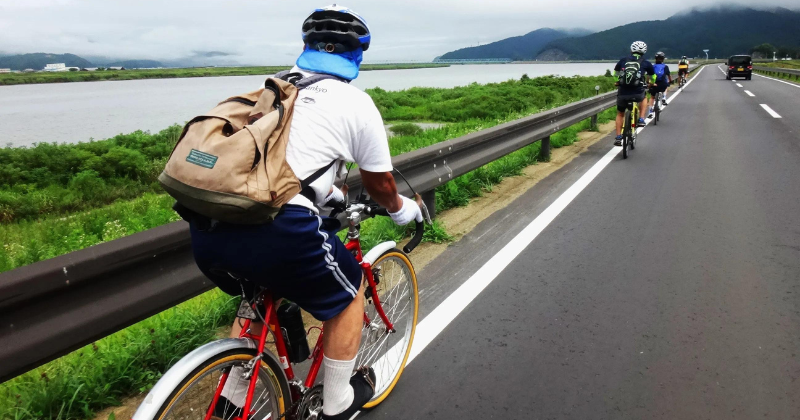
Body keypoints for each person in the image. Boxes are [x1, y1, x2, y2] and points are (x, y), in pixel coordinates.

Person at [187, 5, 423, 420]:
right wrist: (402, 211)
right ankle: (337, 405)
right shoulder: (355, 102)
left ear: (303, 46)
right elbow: (380, 184)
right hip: (280, 227)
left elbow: (277, 162)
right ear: (358, 56)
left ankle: (231, 406)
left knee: (258, 299)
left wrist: (327, 194)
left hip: (209, 227)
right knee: (349, 298)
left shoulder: (272, 92)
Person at [613, 41, 655, 146]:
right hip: (637, 92)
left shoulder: (623, 60)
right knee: (644, 97)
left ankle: (618, 137)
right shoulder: (646, 62)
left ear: (631, 49)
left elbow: (615, 73)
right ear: (644, 51)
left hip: (623, 92)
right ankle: (641, 118)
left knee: (620, 114)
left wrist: (618, 81)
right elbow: (653, 76)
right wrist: (651, 84)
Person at [647, 52, 673, 118]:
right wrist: (670, 81)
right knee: (666, 86)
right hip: (662, 84)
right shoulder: (665, 66)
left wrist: (649, 83)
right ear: (663, 59)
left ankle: (650, 112)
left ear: (655, 59)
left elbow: (648, 77)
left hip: (654, 84)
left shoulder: (652, 66)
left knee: (652, 97)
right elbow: (669, 76)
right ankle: (664, 97)